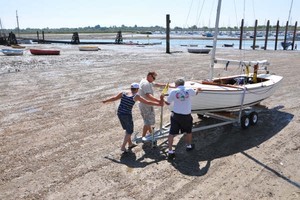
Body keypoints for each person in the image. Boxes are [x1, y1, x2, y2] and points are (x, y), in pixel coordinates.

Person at [102, 83, 163, 153]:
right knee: (130, 131)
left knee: (127, 129)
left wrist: (106, 101)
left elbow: (114, 98)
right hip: (127, 115)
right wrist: (159, 104)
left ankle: (130, 144)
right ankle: (123, 147)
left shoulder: (123, 93)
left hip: (120, 113)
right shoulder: (136, 96)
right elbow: (147, 102)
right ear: (137, 89)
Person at [163, 79, 201, 160]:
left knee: (171, 133)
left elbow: (168, 103)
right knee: (188, 131)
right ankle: (189, 146)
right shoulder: (189, 90)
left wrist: (162, 99)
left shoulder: (173, 91)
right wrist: (198, 89)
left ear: (176, 85)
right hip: (186, 115)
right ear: (183, 84)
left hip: (176, 115)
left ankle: (170, 151)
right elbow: (196, 93)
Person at [138, 71, 166, 141]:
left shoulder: (148, 81)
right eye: (153, 78)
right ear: (149, 76)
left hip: (147, 104)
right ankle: (144, 137)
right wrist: (158, 101)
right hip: (145, 105)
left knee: (148, 121)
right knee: (147, 121)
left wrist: (167, 85)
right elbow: (148, 95)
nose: (154, 79)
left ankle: (150, 134)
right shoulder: (145, 83)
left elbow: (156, 84)